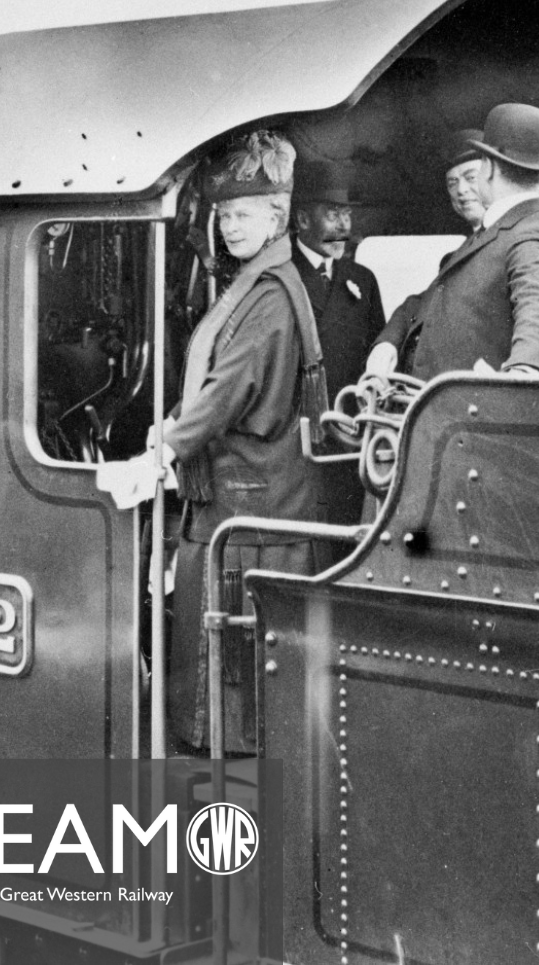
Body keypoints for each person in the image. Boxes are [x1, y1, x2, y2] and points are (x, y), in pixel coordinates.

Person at [155, 129, 328, 753]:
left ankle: (222, 772)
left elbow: (230, 387)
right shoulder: (260, 283)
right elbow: (215, 381)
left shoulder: (269, 296)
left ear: (277, 215)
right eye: (225, 215)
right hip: (251, 494)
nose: (231, 227)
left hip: (253, 503)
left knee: (231, 677)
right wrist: (173, 421)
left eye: (244, 213)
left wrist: (167, 447)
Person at [368, 103, 539, 381]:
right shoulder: (499, 231)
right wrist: (388, 341)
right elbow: (426, 301)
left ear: (488, 169)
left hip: (465, 415)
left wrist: (525, 370)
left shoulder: (528, 236)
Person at [291, 160, 385, 529]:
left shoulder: (362, 279)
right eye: (333, 213)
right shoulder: (282, 278)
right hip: (299, 444)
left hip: (348, 437)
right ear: (302, 219)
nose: (344, 225)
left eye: (347, 214)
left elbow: (375, 353)